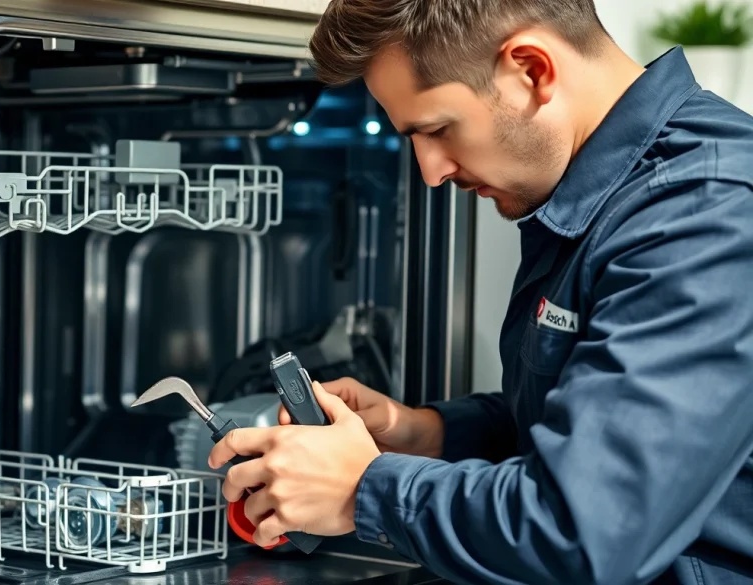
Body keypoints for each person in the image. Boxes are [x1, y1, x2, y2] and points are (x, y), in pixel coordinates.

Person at [206, 1, 753, 584]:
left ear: (531, 70)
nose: (430, 172)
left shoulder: (705, 214)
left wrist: (363, 487)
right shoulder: (604, 193)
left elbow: (582, 531)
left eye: (438, 129)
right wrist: (428, 434)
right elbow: (588, 416)